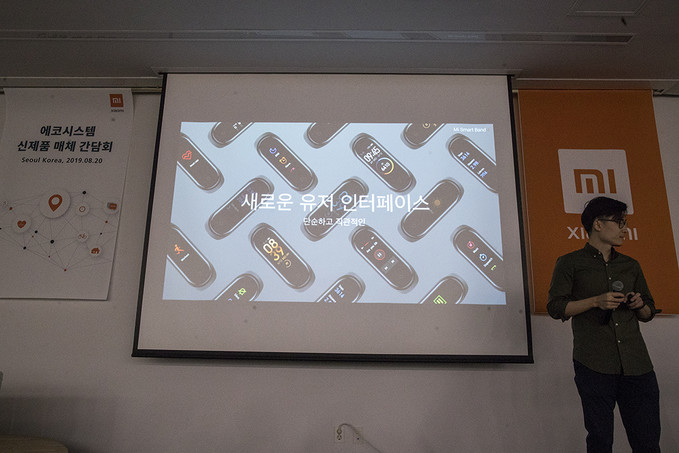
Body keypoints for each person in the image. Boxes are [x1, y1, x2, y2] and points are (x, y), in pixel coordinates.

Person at [547, 196, 661, 453]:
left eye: (626, 223)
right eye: (619, 222)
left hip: (637, 364)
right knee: (600, 441)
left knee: (647, 442)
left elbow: (648, 312)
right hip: (594, 363)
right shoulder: (570, 263)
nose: (625, 229)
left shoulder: (630, 265)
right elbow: (556, 307)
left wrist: (639, 304)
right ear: (598, 224)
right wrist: (595, 301)